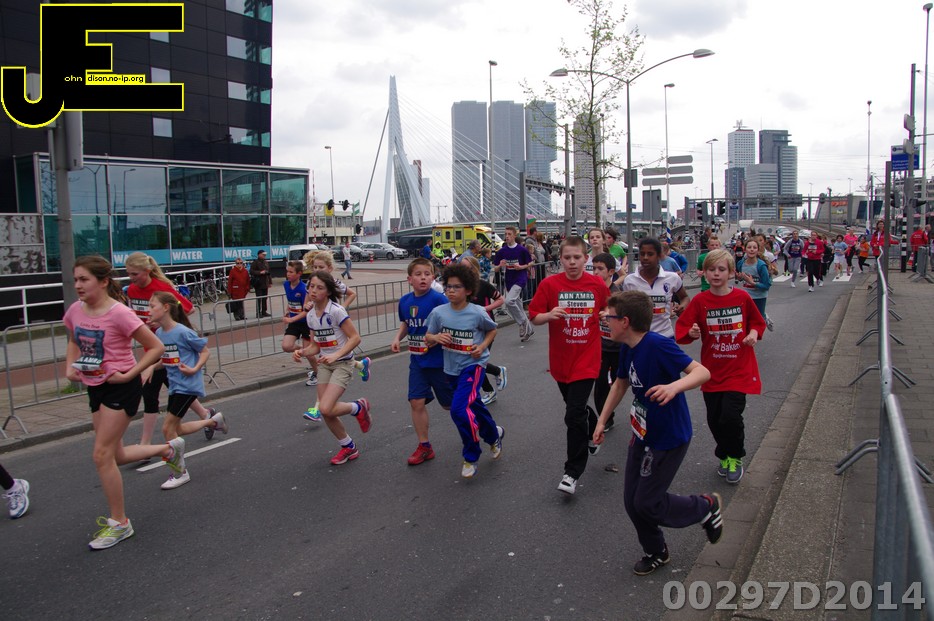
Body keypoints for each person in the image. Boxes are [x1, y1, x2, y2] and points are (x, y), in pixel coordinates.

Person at [592, 290, 721, 576]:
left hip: (668, 437)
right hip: (642, 432)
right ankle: (656, 551)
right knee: (632, 501)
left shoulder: (658, 345)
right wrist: (601, 421)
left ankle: (704, 507)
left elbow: (702, 372)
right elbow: (620, 384)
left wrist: (673, 387)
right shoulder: (627, 346)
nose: (605, 321)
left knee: (647, 502)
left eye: (609, 317)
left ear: (625, 321)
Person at [64, 256, 184, 550]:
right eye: (76, 279)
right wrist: (69, 368)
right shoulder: (75, 310)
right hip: (95, 386)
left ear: (103, 281)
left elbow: (155, 347)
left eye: (84, 279)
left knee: (101, 454)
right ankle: (168, 449)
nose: (78, 285)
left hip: (121, 388)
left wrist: (131, 373)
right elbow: (73, 339)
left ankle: (120, 523)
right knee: (115, 456)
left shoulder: (119, 313)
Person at [675, 249, 766, 485]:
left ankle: (735, 457)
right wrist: (692, 332)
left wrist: (753, 334)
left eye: (721, 269)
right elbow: (683, 329)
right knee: (715, 419)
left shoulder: (742, 298)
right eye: (711, 269)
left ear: (731, 273)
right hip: (711, 372)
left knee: (730, 417)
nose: (716, 274)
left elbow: (757, 322)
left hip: (739, 369)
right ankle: (724, 455)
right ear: (704, 273)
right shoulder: (700, 301)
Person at [528, 236, 608, 494]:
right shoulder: (550, 284)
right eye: (567, 257)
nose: (572, 262)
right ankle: (592, 427)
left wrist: (605, 315)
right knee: (577, 409)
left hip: (588, 358)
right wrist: (548, 315)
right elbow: (534, 316)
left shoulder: (596, 284)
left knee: (573, 414)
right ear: (560, 259)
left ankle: (572, 473)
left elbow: (607, 309)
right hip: (561, 361)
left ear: (586, 258)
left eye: (577, 257)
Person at [124, 252, 214, 447]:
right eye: (128, 274)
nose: (131, 278)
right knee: (172, 394)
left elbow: (187, 308)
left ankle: (148, 445)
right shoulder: (131, 290)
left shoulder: (162, 289)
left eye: (135, 274)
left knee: (158, 396)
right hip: (154, 351)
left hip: (170, 348)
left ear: (147, 270)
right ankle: (207, 416)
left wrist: (169, 326)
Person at [425, 264, 504, 478]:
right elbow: (428, 337)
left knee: (458, 410)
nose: (451, 291)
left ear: (468, 290)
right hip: (451, 369)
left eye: (456, 287)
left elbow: (492, 330)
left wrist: (482, 346)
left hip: (473, 366)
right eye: (448, 286)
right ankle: (493, 435)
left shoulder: (477, 312)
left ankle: (471, 455)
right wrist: (436, 337)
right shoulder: (438, 313)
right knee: (474, 405)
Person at [148, 291, 229, 490]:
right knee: (177, 429)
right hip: (175, 385)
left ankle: (180, 472)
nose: (148, 310)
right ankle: (213, 421)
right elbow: (167, 359)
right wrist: (150, 367)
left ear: (165, 308)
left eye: (152, 306)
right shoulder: (159, 334)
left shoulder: (183, 332)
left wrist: (194, 368)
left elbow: (205, 351)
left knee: (167, 429)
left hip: (187, 386)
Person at [293, 271, 371, 465]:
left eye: (319, 288)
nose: (313, 291)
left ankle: (357, 407)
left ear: (328, 292)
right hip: (325, 365)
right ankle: (348, 447)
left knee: (326, 407)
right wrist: (301, 352)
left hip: (342, 364)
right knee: (326, 411)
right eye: (311, 286)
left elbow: (355, 338)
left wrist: (336, 355)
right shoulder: (311, 315)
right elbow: (315, 346)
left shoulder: (337, 311)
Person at [391, 258, 453, 465]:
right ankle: (424, 446)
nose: (423, 278)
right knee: (416, 401)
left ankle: (483, 426)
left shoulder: (439, 300)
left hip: (440, 362)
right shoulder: (405, 301)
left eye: (427, 274)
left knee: (451, 406)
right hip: (417, 361)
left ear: (433, 277)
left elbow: (451, 325)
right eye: (418, 274)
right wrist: (397, 338)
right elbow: (406, 323)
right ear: (409, 279)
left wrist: (436, 338)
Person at [301, 252, 368, 410]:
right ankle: (360, 366)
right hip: (321, 324)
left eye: (321, 267)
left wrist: (342, 307)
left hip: (336, 322)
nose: (317, 270)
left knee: (326, 406)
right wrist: (301, 352)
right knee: (326, 347)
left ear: (329, 268)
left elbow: (352, 294)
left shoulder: (335, 285)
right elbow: (307, 304)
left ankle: (324, 407)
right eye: (315, 267)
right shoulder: (312, 287)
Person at [461, 255, 507, 405]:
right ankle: (496, 374)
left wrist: (485, 309)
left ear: (474, 269)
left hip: (486, 328)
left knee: (476, 360)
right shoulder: (461, 287)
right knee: (473, 360)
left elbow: (500, 299)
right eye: (461, 267)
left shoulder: (483, 285)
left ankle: (491, 386)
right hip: (469, 328)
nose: (463, 270)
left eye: (466, 267)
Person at [622, 238, 688, 338]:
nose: (645, 257)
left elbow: (684, 297)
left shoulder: (672, 278)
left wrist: (682, 306)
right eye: (642, 254)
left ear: (659, 256)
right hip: (638, 337)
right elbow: (624, 308)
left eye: (650, 254)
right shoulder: (630, 280)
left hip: (665, 336)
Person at [591, 252, 623, 435]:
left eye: (600, 269)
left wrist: (610, 316)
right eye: (593, 268)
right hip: (600, 347)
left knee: (620, 383)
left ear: (611, 272)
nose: (595, 272)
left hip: (618, 347)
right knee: (601, 383)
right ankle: (606, 418)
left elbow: (626, 319)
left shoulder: (617, 294)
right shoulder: (592, 292)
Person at [493, 225, 534, 342]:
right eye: (505, 234)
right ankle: (529, 330)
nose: (507, 236)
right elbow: (495, 268)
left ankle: (522, 322)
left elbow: (531, 263)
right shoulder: (502, 251)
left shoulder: (522, 250)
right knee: (519, 306)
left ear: (514, 235)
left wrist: (521, 267)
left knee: (509, 301)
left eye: (509, 234)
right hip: (509, 280)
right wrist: (500, 265)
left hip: (520, 278)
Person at [280, 261, 313, 386]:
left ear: (299, 273)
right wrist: (287, 310)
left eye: (291, 272)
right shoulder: (286, 284)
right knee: (286, 346)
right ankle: (305, 349)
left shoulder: (303, 289)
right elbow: (290, 300)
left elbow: (306, 310)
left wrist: (291, 320)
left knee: (310, 355)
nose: (288, 274)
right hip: (294, 322)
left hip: (305, 322)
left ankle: (317, 373)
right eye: (287, 271)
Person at [737, 238, 773, 331]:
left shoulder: (761, 266)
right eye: (749, 247)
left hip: (759, 296)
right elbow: (740, 278)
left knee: (758, 319)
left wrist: (753, 283)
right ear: (745, 249)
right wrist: (739, 277)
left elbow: (766, 285)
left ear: (758, 250)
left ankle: (764, 317)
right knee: (746, 318)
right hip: (746, 295)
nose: (752, 250)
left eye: (754, 248)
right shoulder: (740, 264)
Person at [250, 249, 272, 317]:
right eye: (263, 254)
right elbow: (251, 271)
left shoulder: (265, 262)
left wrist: (270, 282)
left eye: (265, 254)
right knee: (259, 298)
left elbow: (268, 272)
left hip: (265, 283)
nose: (264, 255)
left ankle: (264, 311)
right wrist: (260, 272)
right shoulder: (255, 262)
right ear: (259, 255)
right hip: (258, 283)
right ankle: (258, 312)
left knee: (265, 298)